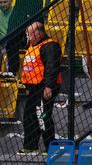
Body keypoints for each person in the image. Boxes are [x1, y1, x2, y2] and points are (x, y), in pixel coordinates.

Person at [19, 22, 62, 154]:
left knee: (43, 116)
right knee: (29, 116)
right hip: (34, 88)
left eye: (31, 33)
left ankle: (50, 147)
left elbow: (51, 67)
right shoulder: (32, 45)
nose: (29, 36)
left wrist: (49, 86)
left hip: (44, 87)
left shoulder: (50, 45)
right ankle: (30, 146)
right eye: (28, 33)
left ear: (40, 33)